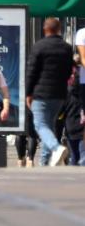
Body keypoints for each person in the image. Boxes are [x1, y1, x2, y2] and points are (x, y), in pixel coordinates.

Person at [27, 17, 75, 166]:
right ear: (59, 29)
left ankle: (56, 148)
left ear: (45, 29)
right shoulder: (67, 48)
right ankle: (44, 162)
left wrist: (28, 93)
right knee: (49, 126)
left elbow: (32, 72)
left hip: (41, 94)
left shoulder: (39, 47)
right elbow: (69, 72)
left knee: (40, 125)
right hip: (59, 95)